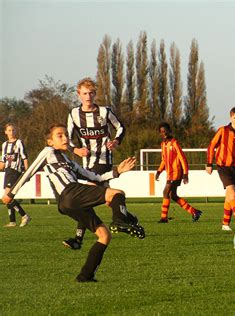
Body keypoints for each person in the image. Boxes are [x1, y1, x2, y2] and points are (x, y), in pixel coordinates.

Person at [2, 123, 144, 282]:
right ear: (50, 142)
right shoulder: (48, 152)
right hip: (70, 192)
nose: (64, 138)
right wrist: (11, 193)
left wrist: (118, 171)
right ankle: (121, 221)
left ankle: (85, 276)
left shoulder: (69, 162)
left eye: (66, 135)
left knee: (104, 236)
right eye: (59, 136)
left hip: (68, 203)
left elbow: (94, 177)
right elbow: (29, 172)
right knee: (117, 194)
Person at [63, 77, 126, 250]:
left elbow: (120, 127)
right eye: (85, 93)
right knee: (109, 197)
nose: (88, 96)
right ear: (79, 95)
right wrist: (75, 150)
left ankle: (78, 239)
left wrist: (116, 142)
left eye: (91, 93)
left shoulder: (104, 112)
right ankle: (128, 218)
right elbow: (67, 139)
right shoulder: (74, 114)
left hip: (104, 160)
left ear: (95, 94)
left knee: (85, 198)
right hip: (87, 162)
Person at [206, 107, 235, 231]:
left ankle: (225, 224)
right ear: (231, 118)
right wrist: (209, 163)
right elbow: (211, 146)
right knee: (232, 192)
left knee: (229, 196)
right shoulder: (223, 130)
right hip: (223, 166)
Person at [155, 122, 202, 223]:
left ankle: (164, 218)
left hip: (176, 172)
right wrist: (159, 171)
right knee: (173, 195)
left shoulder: (174, 142)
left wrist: (185, 173)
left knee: (165, 192)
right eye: (162, 132)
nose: (164, 133)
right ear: (160, 134)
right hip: (170, 174)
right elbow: (163, 160)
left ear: (169, 131)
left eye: (165, 130)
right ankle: (194, 212)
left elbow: (182, 158)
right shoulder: (163, 144)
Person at [1, 123, 31, 228]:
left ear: (16, 131)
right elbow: (2, 162)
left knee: (6, 197)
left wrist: (27, 172)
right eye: (9, 130)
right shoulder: (4, 145)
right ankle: (12, 222)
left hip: (15, 171)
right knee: (7, 197)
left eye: (13, 130)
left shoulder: (19, 143)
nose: (11, 132)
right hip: (8, 172)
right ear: (5, 132)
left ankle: (24, 215)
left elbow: (24, 157)